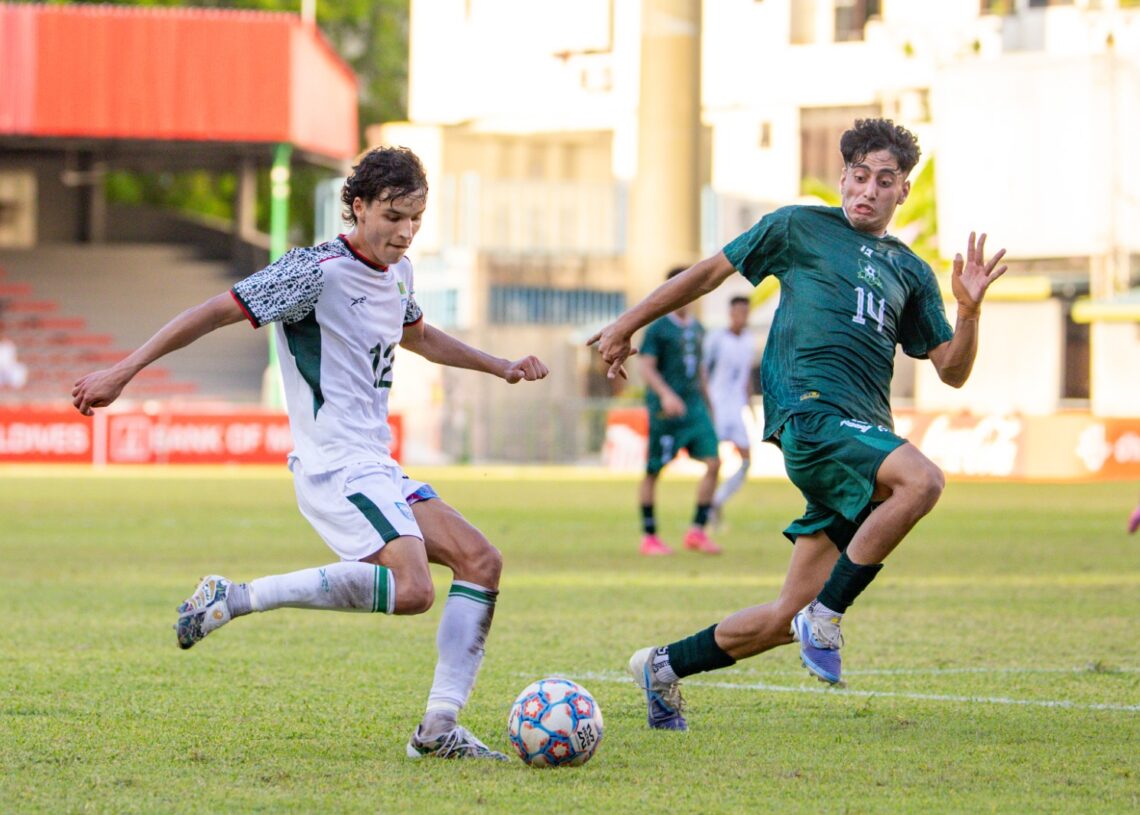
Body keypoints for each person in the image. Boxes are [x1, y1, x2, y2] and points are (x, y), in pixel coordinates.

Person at [72, 146, 550, 759]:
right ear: (358, 207)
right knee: (413, 590)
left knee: (482, 561)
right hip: (334, 465)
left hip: (377, 463)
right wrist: (124, 370)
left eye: (416, 220)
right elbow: (214, 311)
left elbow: (419, 335)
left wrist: (500, 365)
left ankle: (438, 731)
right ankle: (237, 597)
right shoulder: (312, 271)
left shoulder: (399, 272)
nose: (404, 233)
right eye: (392, 216)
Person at [589, 118, 1006, 729]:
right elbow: (708, 273)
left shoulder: (912, 272)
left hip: (856, 443)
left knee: (786, 618)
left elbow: (952, 370)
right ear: (843, 177)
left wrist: (969, 312)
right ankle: (830, 616)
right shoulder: (800, 227)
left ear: (902, 192)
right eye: (858, 176)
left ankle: (662, 666)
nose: (866, 190)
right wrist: (627, 323)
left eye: (883, 181)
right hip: (809, 416)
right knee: (923, 481)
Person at [637, 267, 722, 556]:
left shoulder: (697, 328)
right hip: (666, 411)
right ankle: (649, 536)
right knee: (653, 471)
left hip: (694, 407)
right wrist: (666, 395)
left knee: (713, 462)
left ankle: (696, 531)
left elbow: (699, 370)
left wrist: (710, 404)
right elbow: (646, 367)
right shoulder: (658, 327)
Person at [703, 295, 756, 530]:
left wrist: (750, 406)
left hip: (736, 408)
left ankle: (716, 501)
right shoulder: (717, 339)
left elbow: (746, 378)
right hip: (717, 406)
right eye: (737, 311)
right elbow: (703, 371)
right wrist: (707, 403)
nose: (741, 316)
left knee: (746, 461)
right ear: (730, 313)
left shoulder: (748, 341)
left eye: (745, 311)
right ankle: (705, 512)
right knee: (714, 461)